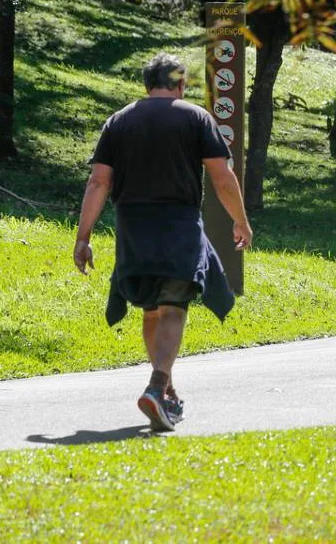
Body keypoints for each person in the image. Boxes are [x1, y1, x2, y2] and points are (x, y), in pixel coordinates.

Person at [74, 53, 253, 432]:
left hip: (133, 229)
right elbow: (222, 178)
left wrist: (83, 237)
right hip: (177, 226)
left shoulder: (120, 120)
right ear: (181, 84)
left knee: (151, 310)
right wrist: (240, 221)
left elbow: (98, 182)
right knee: (173, 307)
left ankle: (165, 389)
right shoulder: (195, 117)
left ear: (146, 83)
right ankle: (157, 386)